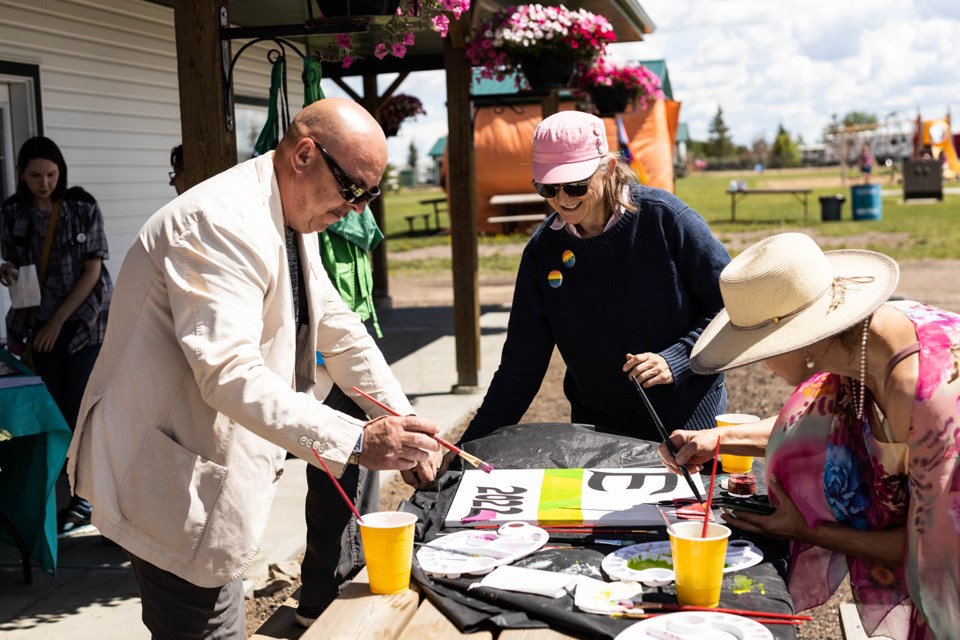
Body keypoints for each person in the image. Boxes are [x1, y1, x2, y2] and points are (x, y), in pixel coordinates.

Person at [65, 98, 442, 638]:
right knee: (206, 627)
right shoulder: (216, 224)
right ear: (305, 155)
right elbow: (230, 373)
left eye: (371, 194)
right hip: (168, 479)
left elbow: (336, 326)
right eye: (354, 189)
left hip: (205, 467)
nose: (359, 209)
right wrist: (357, 441)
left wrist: (402, 422)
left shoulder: (291, 213)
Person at [659, 232, 960, 639]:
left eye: (760, 350)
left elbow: (932, 551)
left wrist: (806, 531)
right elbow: (813, 426)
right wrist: (716, 440)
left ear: (803, 341)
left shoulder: (925, 393)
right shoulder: (867, 340)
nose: (761, 365)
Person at [458, 110, 731, 447]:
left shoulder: (666, 219)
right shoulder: (542, 253)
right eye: (547, 187)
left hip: (689, 425)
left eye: (575, 185)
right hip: (600, 436)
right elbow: (519, 368)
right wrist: (464, 449)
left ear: (609, 169)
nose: (562, 199)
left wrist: (676, 359)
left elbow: (728, 305)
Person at [0, 136, 113, 537]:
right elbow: (12, 259)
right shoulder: (12, 211)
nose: (44, 183)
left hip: (85, 324)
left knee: (81, 409)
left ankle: (85, 499)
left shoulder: (82, 207)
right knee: (52, 415)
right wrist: (7, 270)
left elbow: (93, 272)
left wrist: (58, 322)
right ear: (21, 175)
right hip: (36, 326)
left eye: (51, 174)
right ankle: (58, 496)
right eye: (35, 176)